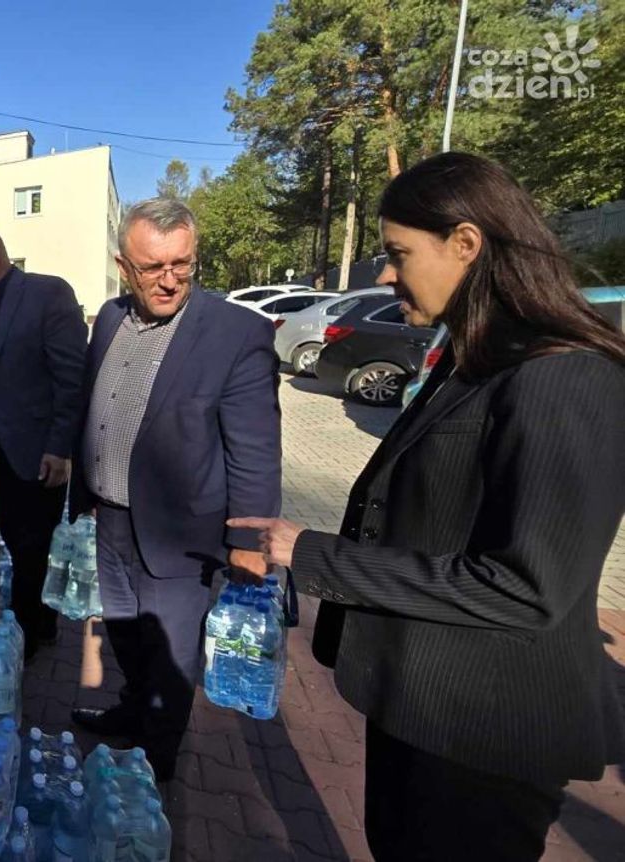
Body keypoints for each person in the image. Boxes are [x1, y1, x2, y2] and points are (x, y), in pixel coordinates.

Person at [230, 152, 625, 862]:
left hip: (483, 731)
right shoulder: (479, 360)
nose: (385, 275)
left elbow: (528, 586)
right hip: (425, 707)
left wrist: (315, 555)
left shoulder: (562, 375)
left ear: (466, 243)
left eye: (398, 254)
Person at [67, 198, 281, 782]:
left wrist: (249, 543)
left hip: (180, 532)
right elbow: (93, 402)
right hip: (111, 517)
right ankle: (131, 713)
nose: (169, 280)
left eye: (181, 264)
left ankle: (155, 760)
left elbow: (255, 448)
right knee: (125, 633)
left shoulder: (236, 333)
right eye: (152, 267)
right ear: (122, 266)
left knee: (170, 653)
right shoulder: (109, 319)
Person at [0, 226, 88, 660]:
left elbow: (71, 378)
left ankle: (31, 633)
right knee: (9, 537)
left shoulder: (47, 295)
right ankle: (29, 618)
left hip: (38, 451)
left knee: (35, 545)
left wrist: (60, 447)